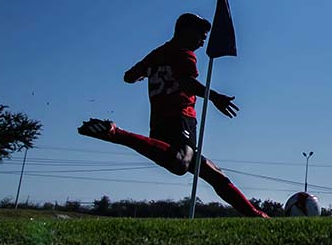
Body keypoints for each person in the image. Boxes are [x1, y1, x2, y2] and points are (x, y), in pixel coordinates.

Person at [77, 13, 267, 218]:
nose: (203, 40)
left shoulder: (157, 54)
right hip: (181, 117)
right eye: (200, 35)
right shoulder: (185, 54)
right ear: (185, 31)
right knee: (181, 163)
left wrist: (147, 72)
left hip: (159, 122)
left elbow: (128, 77)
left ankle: (256, 215)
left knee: (213, 174)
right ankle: (117, 133)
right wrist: (215, 97)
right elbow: (187, 83)